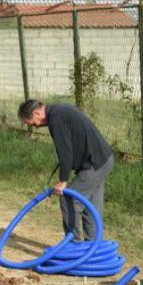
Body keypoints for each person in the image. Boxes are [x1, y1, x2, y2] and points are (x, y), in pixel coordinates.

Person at [18, 99, 114, 241]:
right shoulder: (59, 110)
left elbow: (65, 151)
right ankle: (92, 249)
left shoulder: (56, 117)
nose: (35, 127)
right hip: (102, 160)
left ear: (36, 112)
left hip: (94, 164)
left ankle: (72, 246)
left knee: (69, 199)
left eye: (32, 123)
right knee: (90, 208)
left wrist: (63, 181)